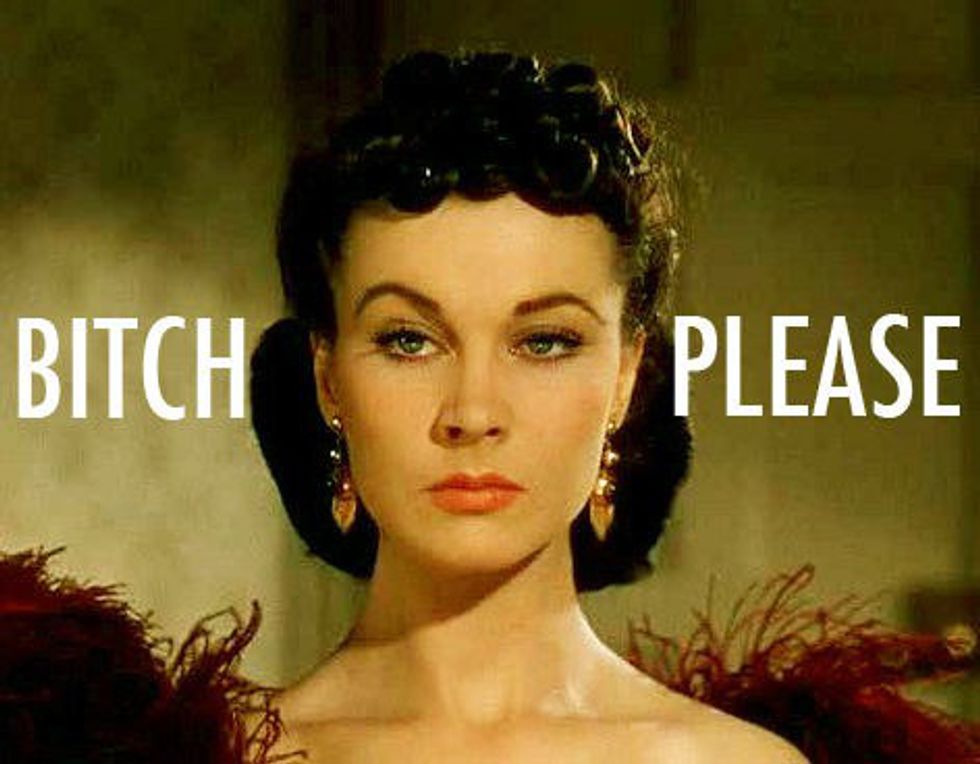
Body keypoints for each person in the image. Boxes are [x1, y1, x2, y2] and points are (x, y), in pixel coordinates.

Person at [251, 49, 808, 762]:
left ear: (625, 378)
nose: (473, 412)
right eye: (409, 341)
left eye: (545, 342)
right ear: (328, 378)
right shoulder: (223, 751)